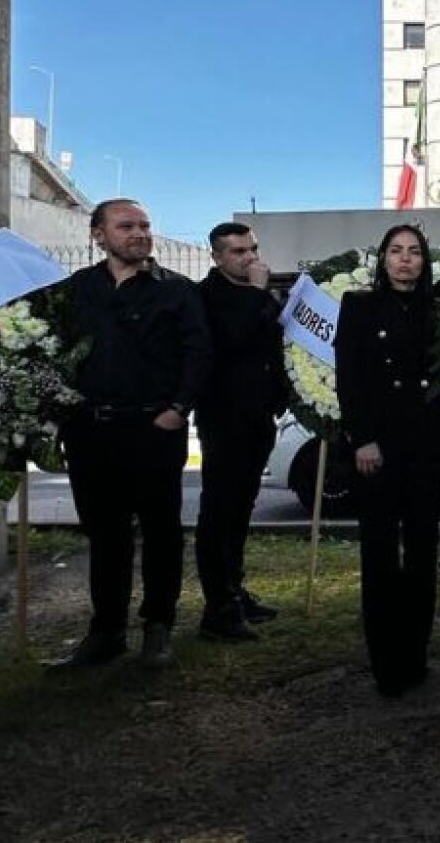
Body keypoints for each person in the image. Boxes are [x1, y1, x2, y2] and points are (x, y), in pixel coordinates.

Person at [52, 199, 212, 669]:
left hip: (153, 431)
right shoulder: (75, 290)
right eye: (127, 226)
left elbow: (199, 354)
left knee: (162, 533)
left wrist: (178, 409)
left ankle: (158, 627)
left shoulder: (178, 291)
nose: (140, 233)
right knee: (105, 536)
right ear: (98, 234)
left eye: (145, 225)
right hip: (91, 433)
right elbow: (54, 351)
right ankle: (106, 632)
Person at [334, 224, 440, 697]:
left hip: (426, 447)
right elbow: (350, 377)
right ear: (382, 260)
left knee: (422, 555)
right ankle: (386, 664)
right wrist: (362, 438)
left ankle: (415, 655)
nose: (405, 260)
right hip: (378, 448)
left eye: (414, 252)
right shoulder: (359, 307)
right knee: (380, 556)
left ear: (424, 261)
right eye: (396, 251)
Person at [193, 222, 288, 641]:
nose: (249, 258)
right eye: (237, 252)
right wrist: (255, 292)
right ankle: (218, 607)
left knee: (241, 509)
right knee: (219, 513)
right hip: (224, 418)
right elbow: (231, 339)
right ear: (216, 257)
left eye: (252, 249)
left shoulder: (257, 294)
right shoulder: (205, 296)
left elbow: (271, 343)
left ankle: (235, 590)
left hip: (257, 417)